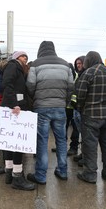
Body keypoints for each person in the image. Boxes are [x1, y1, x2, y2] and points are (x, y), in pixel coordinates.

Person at [26, 41, 74, 184]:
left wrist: (36, 99)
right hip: (60, 108)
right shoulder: (66, 65)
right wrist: (64, 102)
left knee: (42, 141)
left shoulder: (35, 64)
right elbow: (71, 87)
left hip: (41, 107)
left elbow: (30, 85)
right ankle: (63, 171)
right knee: (61, 140)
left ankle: (40, 175)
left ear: (40, 50)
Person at [76, 51, 106, 184]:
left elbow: (80, 94)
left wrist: (80, 108)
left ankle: (90, 174)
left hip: (91, 115)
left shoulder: (88, 73)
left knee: (90, 145)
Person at [0, 51, 35, 191]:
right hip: (14, 109)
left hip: (13, 108)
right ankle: (17, 177)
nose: (25, 58)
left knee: (10, 144)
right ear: (15, 58)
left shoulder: (18, 68)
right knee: (17, 144)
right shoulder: (13, 66)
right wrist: (14, 103)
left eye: (26, 56)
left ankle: (9, 172)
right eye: (22, 56)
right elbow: (7, 84)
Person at [51, 63, 79, 156]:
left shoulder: (78, 77)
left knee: (75, 129)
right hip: (65, 107)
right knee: (62, 128)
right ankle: (60, 146)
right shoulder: (63, 78)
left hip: (74, 107)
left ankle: (73, 148)